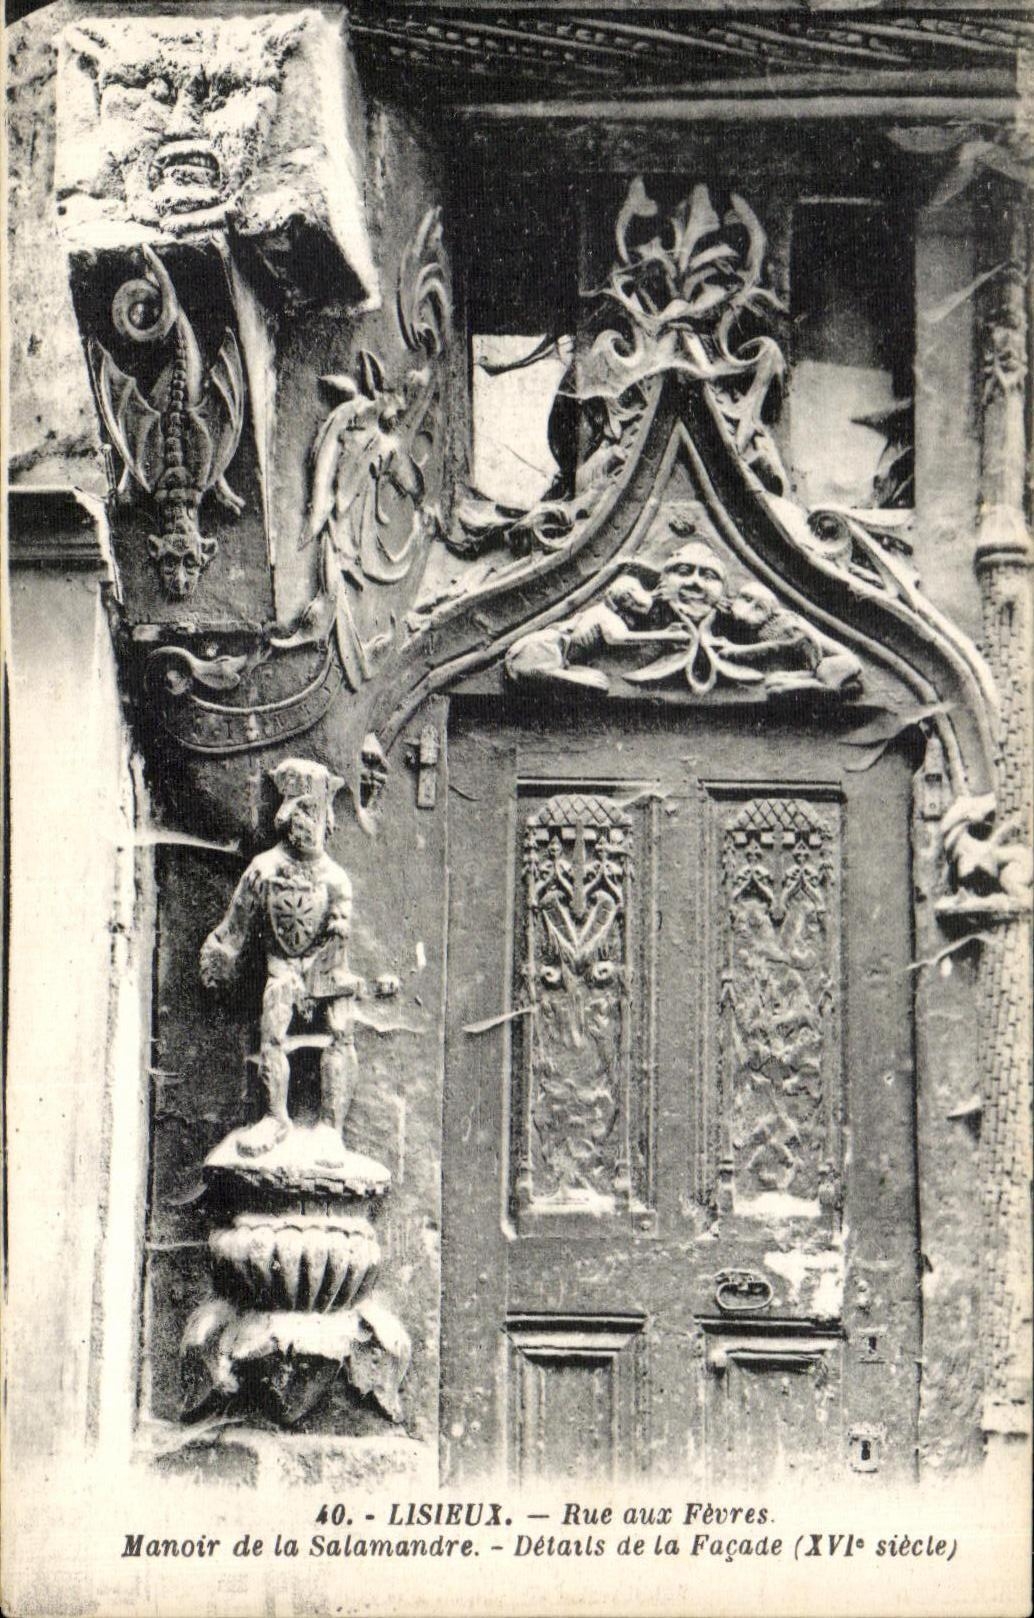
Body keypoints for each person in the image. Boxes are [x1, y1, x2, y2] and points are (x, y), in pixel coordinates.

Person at [199, 758, 366, 1157]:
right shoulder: (264, 870)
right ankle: (275, 1117)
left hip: (323, 971)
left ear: (326, 816)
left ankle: (330, 1126)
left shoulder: (335, 879)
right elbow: (234, 925)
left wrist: (319, 978)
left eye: (314, 811)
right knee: (273, 1023)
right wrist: (220, 954)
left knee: (342, 1023)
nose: (307, 822)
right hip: (282, 969)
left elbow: (337, 939)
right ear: (287, 815)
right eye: (300, 811)